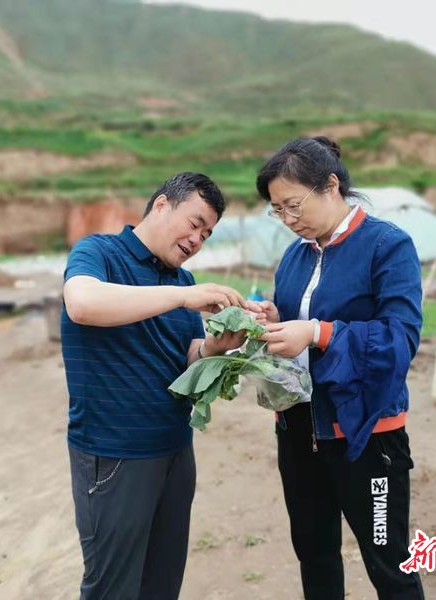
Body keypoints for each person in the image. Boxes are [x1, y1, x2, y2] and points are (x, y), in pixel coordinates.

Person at [61, 172, 250, 600]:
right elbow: (83, 304)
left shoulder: (181, 280)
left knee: (161, 584)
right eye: (195, 223)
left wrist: (216, 347)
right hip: (115, 455)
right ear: (162, 205)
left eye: (207, 233)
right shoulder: (100, 253)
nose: (197, 239)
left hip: (174, 454)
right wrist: (183, 298)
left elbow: (184, 359)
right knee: (113, 588)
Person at [254, 137, 425, 599]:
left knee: (389, 562)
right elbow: (295, 331)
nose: (288, 220)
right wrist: (275, 321)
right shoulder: (296, 255)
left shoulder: (386, 246)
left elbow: (399, 339)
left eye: (293, 205)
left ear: (331, 185)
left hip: (367, 432)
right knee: (315, 554)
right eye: (278, 211)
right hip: (297, 428)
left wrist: (316, 333)